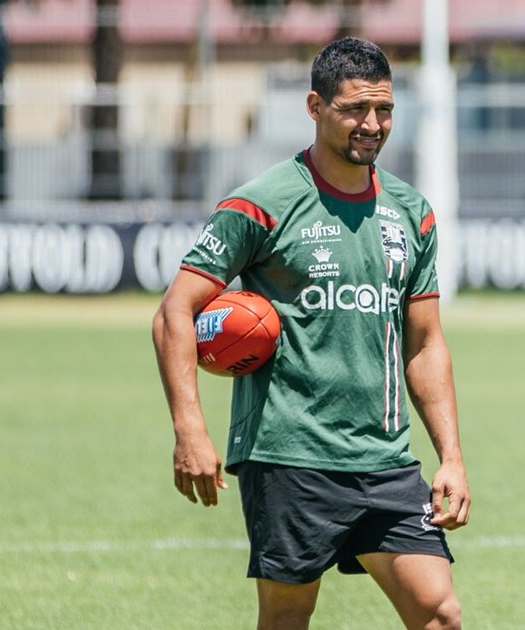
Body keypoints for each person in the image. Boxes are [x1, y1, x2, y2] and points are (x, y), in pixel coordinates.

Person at [152, 37, 469, 630]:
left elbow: (425, 344)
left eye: (384, 109)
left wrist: (451, 457)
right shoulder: (261, 203)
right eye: (354, 109)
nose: (372, 124)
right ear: (315, 107)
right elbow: (175, 313)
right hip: (289, 454)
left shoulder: (412, 212)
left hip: (385, 457)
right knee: (288, 616)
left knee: (439, 613)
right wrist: (190, 430)